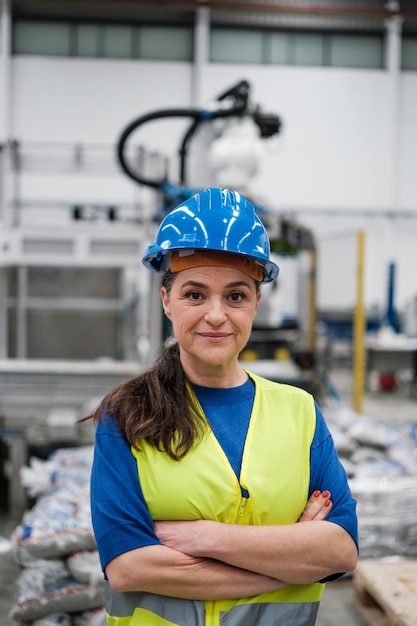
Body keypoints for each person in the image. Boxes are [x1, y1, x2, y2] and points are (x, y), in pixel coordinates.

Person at [89, 187, 358, 626]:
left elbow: (341, 550)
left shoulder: (300, 412)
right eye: (195, 294)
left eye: (236, 296)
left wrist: (204, 537)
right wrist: (291, 560)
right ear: (166, 300)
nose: (216, 314)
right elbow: (128, 568)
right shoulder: (127, 415)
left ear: (256, 304)